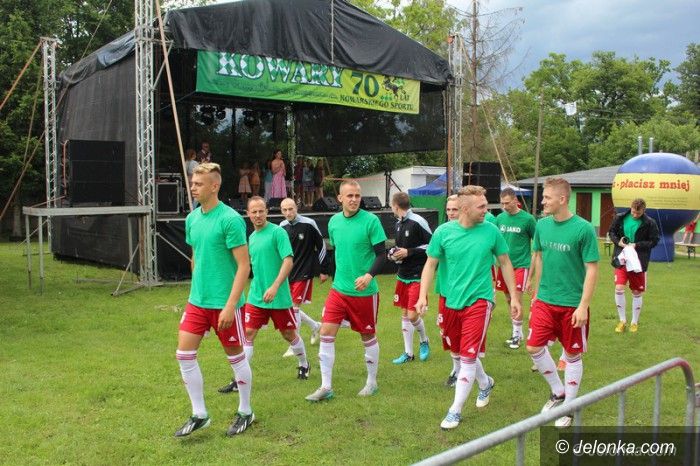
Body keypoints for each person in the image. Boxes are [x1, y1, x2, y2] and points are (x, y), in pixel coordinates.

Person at [416, 185, 519, 430]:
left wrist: (514, 297)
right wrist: (422, 296)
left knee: (469, 356)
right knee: (458, 353)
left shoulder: (491, 231)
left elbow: (505, 263)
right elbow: (430, 264)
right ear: (464, 209)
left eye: (486, 205)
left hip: (480, 300)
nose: (486, 210)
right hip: (451, 300)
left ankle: (455, 410)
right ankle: (485, 383)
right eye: (481, 206)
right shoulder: (443, 232)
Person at [174, 162, 254, 438]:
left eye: (198, 184)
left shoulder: (230, 219)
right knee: (184, 355)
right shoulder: (192, 219)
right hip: (197, 302)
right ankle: (200, 414)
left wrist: (231, 305)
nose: (193, 188)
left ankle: (246, 411)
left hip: (225, 304)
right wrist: (195, 292)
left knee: (236, 358)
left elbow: (243, 266)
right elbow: (195, 257)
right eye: (193, 183)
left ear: (214, 186)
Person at [305, 180, 387, 402]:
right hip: (339, 289)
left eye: (357, 196)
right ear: (340, 198)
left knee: (367, 335)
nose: (354, 199)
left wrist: (368, 276)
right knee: (326, 332)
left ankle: (371, 382)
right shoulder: (334, 222)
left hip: (364, 293)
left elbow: (382, 254)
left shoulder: (371, 221)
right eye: (349, 196)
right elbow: (337, 252)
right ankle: (326, 387)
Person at [527, 178, 599, 428]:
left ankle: (568, 406)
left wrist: (583, 306)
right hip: (545, 300)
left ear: (562, 199)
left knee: (572, 354)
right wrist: (536, 293)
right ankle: (558, 392)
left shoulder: (584, 229)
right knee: (533, 347)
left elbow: (592, 269)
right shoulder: (542, 225)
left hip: (572, 304)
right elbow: (539, 257)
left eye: (547, 197)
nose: (543, 202)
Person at [240, 197, 311, 380]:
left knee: (288, 334)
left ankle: (304, 364)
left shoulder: (278, 233)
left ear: (267, 212)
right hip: (256, 296)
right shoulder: (251, 238)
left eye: (261, 211)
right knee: (248, 333)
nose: (258, 215)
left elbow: (288, 261)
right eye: (254, 212)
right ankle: (240, 377)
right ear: (248, 214)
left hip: (279, 296)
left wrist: (275, 286)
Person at [279, 198, 330, 357]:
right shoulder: (281, 227)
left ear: (296, 208)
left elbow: (321, 245)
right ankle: (315, 326)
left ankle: (294, 345)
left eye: (291, 209)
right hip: (288, 273)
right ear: (281, 211)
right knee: (289, 307)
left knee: (294, 308)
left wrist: (324, 270)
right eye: (285, 210)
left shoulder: (309, 224)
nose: (288, 212)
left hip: (305, 271)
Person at [388, 192, 432, 365]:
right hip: (403, 274)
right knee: (405, 313)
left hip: (418, 275)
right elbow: (402, 248)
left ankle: (424, 340)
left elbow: (432, 245)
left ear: (395, 206)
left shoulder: (418, 221)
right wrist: (394, 254)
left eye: (391, 206)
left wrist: (409, 252)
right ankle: (408, 353)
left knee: (413, 315)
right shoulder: (398, 224)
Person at [608, 198, 659, 333]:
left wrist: (637, 245)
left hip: (638, 262)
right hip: (621, 259)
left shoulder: (650, 223)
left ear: (644, 210)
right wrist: (618, 242)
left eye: (638, 213)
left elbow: (654, 241)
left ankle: (634, 322)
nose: (635, 215)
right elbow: (611, 232)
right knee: (619, 288)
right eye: (633, 212)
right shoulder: (620, 217)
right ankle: (622, 321)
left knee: (636, 292)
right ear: (630, 208)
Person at [495, 188, 537, 349]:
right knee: (508, 299)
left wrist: (531, 275)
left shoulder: (528, 219)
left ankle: (516, 335)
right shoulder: (500, 218)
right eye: (502, 203)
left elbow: (537, 243)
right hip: (503, 266)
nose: (505, 206)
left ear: (515, 200)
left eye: (507, 203)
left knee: (516, 299)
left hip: (521, 265)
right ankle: (518, 331)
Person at [437, 194, 461, 387]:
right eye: (449, 210)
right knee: (446, 332)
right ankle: (457, 368)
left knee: (463, 335)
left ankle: (465, 372)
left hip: (466, 294)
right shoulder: (442, 232)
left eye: (455, 209)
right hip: (445, 291)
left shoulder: (477, 231)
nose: (451, 213)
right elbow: (431, 262)